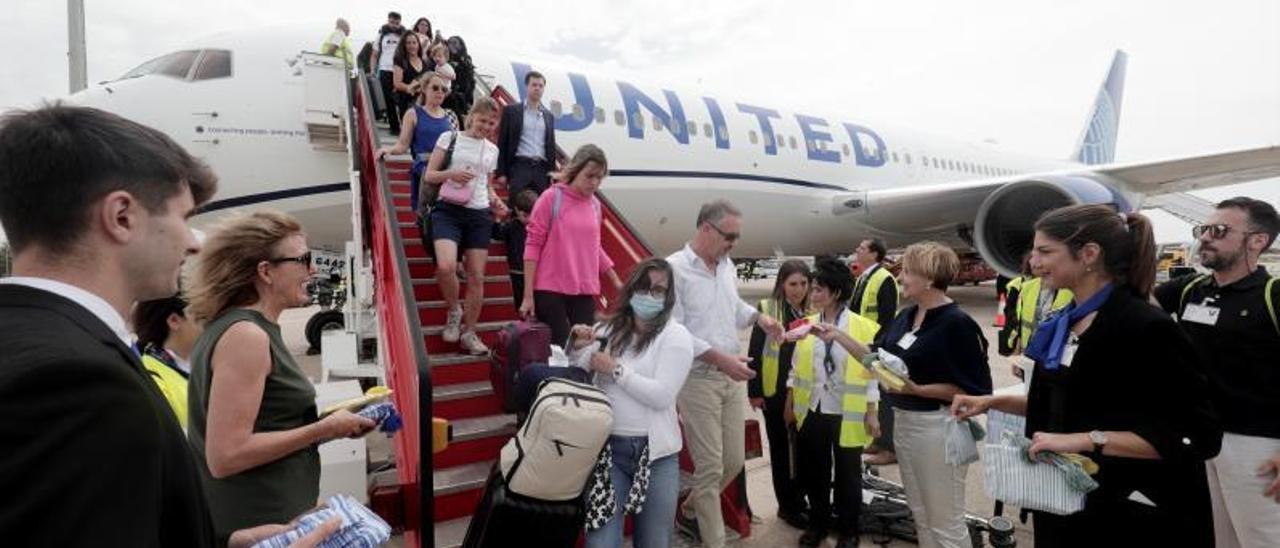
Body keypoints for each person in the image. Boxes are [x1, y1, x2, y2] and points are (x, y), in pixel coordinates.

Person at [0, 104, 340, 546]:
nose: (194, 243)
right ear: (121, 217)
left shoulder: (44, 341)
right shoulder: (74, 382)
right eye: (184, 218)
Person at [953, 204, 1222, 548]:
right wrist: (991, 402)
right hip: (1066, 501)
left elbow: (1198, 436)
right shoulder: (1068, 321)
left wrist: (1084, 440)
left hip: (1128, 511)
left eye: (1045, 251)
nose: (1033, 261)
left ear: (1089, 254)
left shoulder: (1145, 327)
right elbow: (1072, 403)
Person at [186, 211, 377, 543]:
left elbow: (267, 424)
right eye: (304, 260)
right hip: (262, 526)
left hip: (276, 516)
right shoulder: (247, 336)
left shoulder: (243, 329)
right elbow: (226, 455)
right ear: (266, 272)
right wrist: (323, 429)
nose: (313, 269)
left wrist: (334, 426)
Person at [1154, 197, 1280, 548]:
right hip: (1201, 438)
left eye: (1220, 230)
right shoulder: (1191, 289)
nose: (1206, 237)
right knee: (1221, 540)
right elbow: (1133, 305)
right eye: (1204, 229)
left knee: (1262, 539)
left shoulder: (1272, 295)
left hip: (1258, 445)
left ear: (1257, 241)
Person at [667, 199, 783, 548]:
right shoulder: (674, 269)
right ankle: (713, 540)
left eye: (736, 236)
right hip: (697, 378)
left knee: (733, 460)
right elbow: (675, 330)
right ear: (706, 228)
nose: (734, 243)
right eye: (729, 236)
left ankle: (688, 509)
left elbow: (733, 307)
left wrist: (759, 318)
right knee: (710, 468)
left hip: (730, 376)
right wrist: (721, 360)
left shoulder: (726, 265)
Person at [569, 258, 694, 548]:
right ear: (631, 289)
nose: (649, 296)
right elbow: (580, 363)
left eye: (658, 290)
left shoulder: (675, 336)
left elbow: (662, 395)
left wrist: (616, 370)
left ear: (669, 296)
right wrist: (576, 344)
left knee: (654, 542)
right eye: (643, 287)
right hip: (610, 453)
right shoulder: (609, 329)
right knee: (600, 542)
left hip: (657, 457)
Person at [876, 241, 992, 548]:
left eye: (908, 272)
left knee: (945, 522)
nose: (901, 277)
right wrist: (838, 335)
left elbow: (975, 391)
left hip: (937, 428)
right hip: (904, 423)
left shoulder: (957, 324)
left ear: (929, 279)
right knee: (921, 515)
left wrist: (917, 389)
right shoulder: (907, 315)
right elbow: (879, 356)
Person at [785, 257, 882, 548]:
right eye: (812, 289)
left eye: (817, 290)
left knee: (847, 476)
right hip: (813, 409)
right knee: (815, 471)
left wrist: (872, 412)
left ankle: (848, 530)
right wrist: (790, 401)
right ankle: (818, 525)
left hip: (845, 412)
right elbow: (795, 367)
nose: (811, 295)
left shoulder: (863, 328)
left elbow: (872, 373)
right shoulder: (805, 325)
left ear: (836, 293)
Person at [421, 98, 509, 354]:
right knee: (446, 266)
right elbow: (429, 175)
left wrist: (495, 199)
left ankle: (469, 333)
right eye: (482, 120)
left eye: (491, 123)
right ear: (471, 116)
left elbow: (487, 182)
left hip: (479, 214)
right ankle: (454, 309)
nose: (486, 126)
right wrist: (452, 174)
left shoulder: (492, 150)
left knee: (477, 276)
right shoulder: (449, 139)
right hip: (447, 209)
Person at [520, 144, 622, 346]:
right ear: (576, 171)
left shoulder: (595, 205)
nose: (594, 183)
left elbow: (595, 247)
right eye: (589, 176)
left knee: (585, 349)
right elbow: (532, 246)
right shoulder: (551, 198)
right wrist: (528, 295)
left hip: (583, 288)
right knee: (562, 348)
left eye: (599, 178)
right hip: (550, 288)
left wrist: (615, 279)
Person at [746, 259, 811, 529]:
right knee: (783, 451)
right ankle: (787, 506)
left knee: (806, 450)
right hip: (773, 393)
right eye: (792, 284)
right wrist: (755, 391)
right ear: (782, 284)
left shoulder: (813, 310)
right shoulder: (768, 309)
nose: (798, 290)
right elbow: (754, 352)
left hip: (804, 392)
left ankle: (801, 499)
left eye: (804, 284)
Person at [848, 237, 901, 466]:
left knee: (884, 398)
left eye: (861, 248)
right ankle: (878, 441)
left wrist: (877, 348)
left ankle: (889, 448)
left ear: (874, 254)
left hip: (877, 348)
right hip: (864, 347)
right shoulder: (864, 277)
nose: (857, 250)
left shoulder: (884, 279)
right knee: (872, 397)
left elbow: (887, 318)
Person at [379, 72, 455, 220]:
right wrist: (387, 150)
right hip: (424, 172)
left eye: (443, 89)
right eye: (435, 88)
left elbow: (455, 146)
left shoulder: (450, 115)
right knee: (426, 218)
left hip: (445, 172)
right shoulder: (413, 114)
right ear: (424, 89)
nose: (440, 91)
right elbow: (402, 145)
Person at [133, 293, 202, 430]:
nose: (209, 324)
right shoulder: (150, 376)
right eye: (201, 317)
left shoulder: (201, 366)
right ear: (174, 320)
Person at [496, 70, 556, 196]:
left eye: (541, 86)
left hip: (541, 169)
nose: (537, 88)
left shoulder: (548, 116)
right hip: (519, 167)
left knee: (540, 210)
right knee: (516, 207)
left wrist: (552, 172)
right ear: (527, 87)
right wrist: (501, 172)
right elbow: (502, 142)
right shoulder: (511, 111)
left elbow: (551, 146)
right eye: (534, 85)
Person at [492, 189, 538, 310]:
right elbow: (497, 235)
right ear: (517, 210)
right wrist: (497, 219)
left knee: (538, 299)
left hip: (536, 270)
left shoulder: (539, 226)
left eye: (531, 215)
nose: (528, 219)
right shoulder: (512, 225)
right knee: (520, 299)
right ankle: (525, 322)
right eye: (525, 215)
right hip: (517, 271)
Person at [370, 12, 404, 134]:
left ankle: (405, 126)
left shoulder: (403, 35)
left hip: (399, 69)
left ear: (400, 23)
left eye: (397, 23)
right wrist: (373, 70)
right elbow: (374, 55)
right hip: (385, 69)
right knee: (388, 98)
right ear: (388, 21)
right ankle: (394, 127)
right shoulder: (381, 35)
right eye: (392, 22)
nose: (394, 25)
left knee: (401, 98)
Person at [391, 32, 426, 127]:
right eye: (408, 43)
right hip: (406, 102)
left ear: (418, 45)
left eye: (414, 43)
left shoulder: (424, 62)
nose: (412, 46)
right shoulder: (400, 61)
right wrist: (411, 88)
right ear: (404, 45)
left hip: (423, 102)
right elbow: (397, 84)